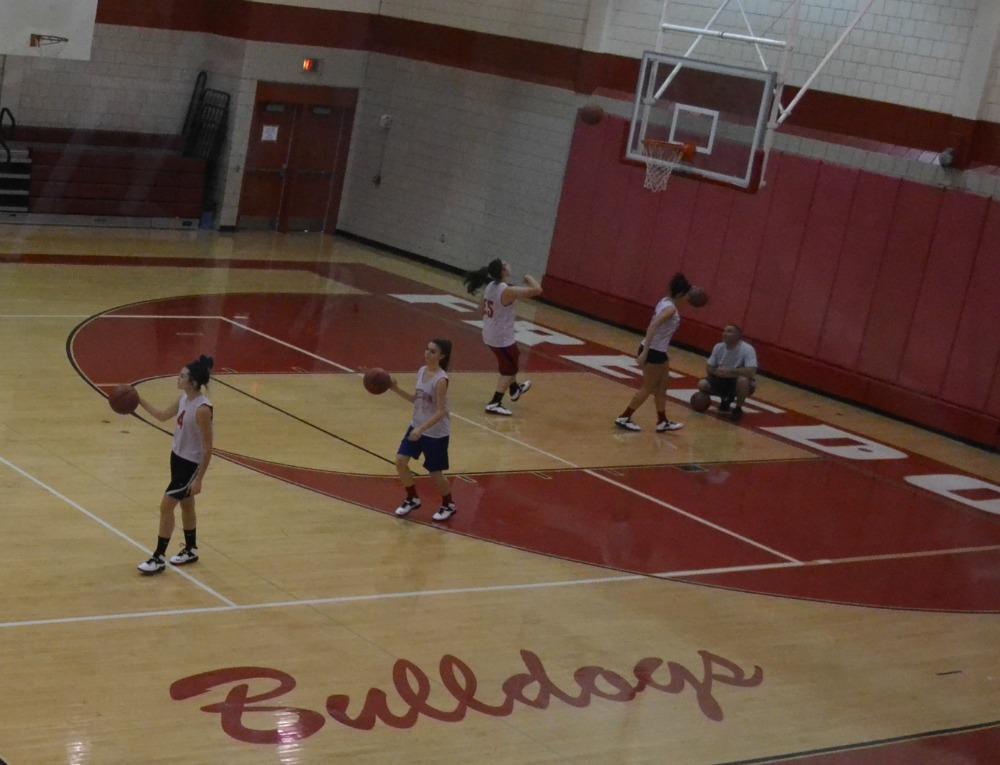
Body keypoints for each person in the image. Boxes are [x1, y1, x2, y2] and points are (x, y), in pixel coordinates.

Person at [136, 355, 215, 574]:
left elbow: (209, 448)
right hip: (177, 458)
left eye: (182, 376)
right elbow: (162, 416)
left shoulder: (202, 409)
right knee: (187, 504)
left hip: (191, 464)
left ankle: (158, 557)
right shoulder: (183, 399)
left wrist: (199, 479)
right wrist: (137, 400)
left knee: (166, 506)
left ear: (193, 382)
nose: (177, 378)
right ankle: (191, 549)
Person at [463, 258, 543, 416]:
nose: (508, 264)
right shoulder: (507, 290)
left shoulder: (491, 287)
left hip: (491, 333)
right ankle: (494, 403)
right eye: (506, 264)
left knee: (509, 362)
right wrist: (528, 278)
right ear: (503, 271)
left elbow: (482, 309)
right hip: (501, 337)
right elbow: (537, 290)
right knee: (509, 369)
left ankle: (514, 389)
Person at [390, 339, 457, 522]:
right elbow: (416, 400)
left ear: (441, 356)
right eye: (427, 349)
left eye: (433, 351)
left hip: (435, 433)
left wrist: (421, 428)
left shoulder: (441, 380)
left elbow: (442, 411)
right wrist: (395, 389)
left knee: (435, 473)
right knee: (400, 461)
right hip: (416, 426)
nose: (427, 353)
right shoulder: (421, 371)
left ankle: (448, 504)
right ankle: (412, 498)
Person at [615, 272, 691, 433]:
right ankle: (624, 417)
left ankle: (662, 421)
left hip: (660, 352)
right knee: (648, 387)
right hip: (653, 351)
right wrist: (645, 352)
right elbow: (653, 326)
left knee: (663, 386)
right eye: (686, 295)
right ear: (679, 294)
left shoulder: (665, 301)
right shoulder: (670, 309)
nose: (688, 299)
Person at [698, 324, 758, 421]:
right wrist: (717, 373)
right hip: (721, 379)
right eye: (724, 331)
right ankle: (724, 399)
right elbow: (709, 367)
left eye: (729, 331)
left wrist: (730, 372)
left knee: (743, 381)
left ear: (738, 336)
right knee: (702, 384)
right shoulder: (718, 347)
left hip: (737, 381)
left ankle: (738, 408)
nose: (725, 334)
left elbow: (751, 372)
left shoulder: (747, 349)